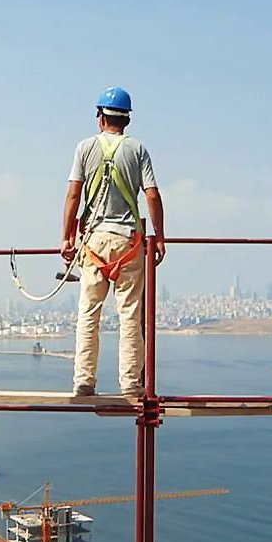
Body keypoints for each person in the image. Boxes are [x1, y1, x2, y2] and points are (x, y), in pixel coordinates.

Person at [61, 86, 165, 397]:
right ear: (127, 120)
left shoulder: (84, 148)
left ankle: (84, 381)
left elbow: (74, 195)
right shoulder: (138, 150)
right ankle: (130, 383)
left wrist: (66, 237)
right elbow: (152, 195)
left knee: (89, 313)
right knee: (130, 314)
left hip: (94, 242)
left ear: (100, 117)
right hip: (128, 243)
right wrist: (159, 237)